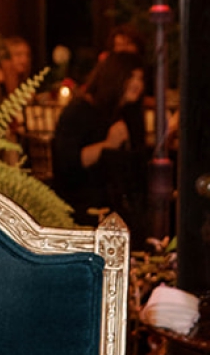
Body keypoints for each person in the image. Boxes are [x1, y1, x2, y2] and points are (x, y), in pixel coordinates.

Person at [51, 49, 146, 227]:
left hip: (118, 206)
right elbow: (67, 163)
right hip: (82, 206)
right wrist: (108, 144)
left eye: (141, 79)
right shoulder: (80, 111)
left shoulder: (129, 114)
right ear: (115, 77)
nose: (137, 84)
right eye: (131, 77)